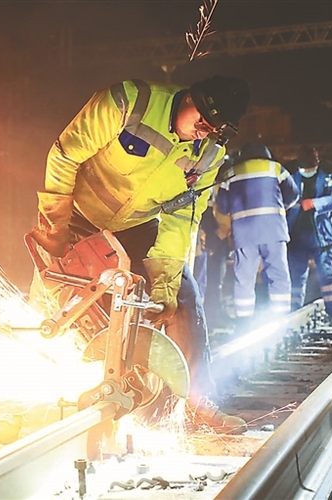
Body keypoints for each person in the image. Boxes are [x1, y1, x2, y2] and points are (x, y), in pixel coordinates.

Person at [29, 75, 251, 433]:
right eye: (203, 123)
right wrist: (55, 225)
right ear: (189, 99)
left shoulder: (209, 154)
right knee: (60, 303)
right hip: (78, 217)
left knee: (184, 298)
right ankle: (39, 396)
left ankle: (196, 401)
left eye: (215, 130)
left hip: (136, 226)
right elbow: (65, 154)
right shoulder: (128, 102)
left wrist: (164, 289)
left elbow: (181, 219)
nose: (204, 134)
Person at [215, 143, 299, 335]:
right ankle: (280, 321)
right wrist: (280, 205)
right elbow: (293, 194)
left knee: (244, 278)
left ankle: (243, 324)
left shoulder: (230, 173)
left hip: (244, 233)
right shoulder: (275, 168)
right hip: (273, 230)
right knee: (278, 275)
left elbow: (223, 206)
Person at [286, 146, 332, 324]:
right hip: (297, 235)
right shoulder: (291, 174)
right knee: (295, 277)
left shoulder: (331, 174)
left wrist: (314, 203)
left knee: (328, 275)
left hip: (323, 235)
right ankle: (294, 314)